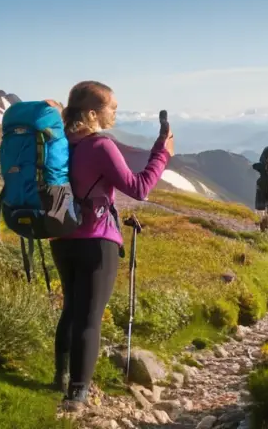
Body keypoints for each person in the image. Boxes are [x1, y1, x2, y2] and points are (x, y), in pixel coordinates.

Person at [50, 80, 174, 410]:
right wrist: (162, 154)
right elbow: (139, 187)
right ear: (92, 113)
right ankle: (77, 393)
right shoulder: (100, 146)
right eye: (112, 109)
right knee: (89, 316)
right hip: (96, 242)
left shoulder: (59, 143)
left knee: (71, 311)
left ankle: (59, 378)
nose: (116, 114)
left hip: (62, 238)